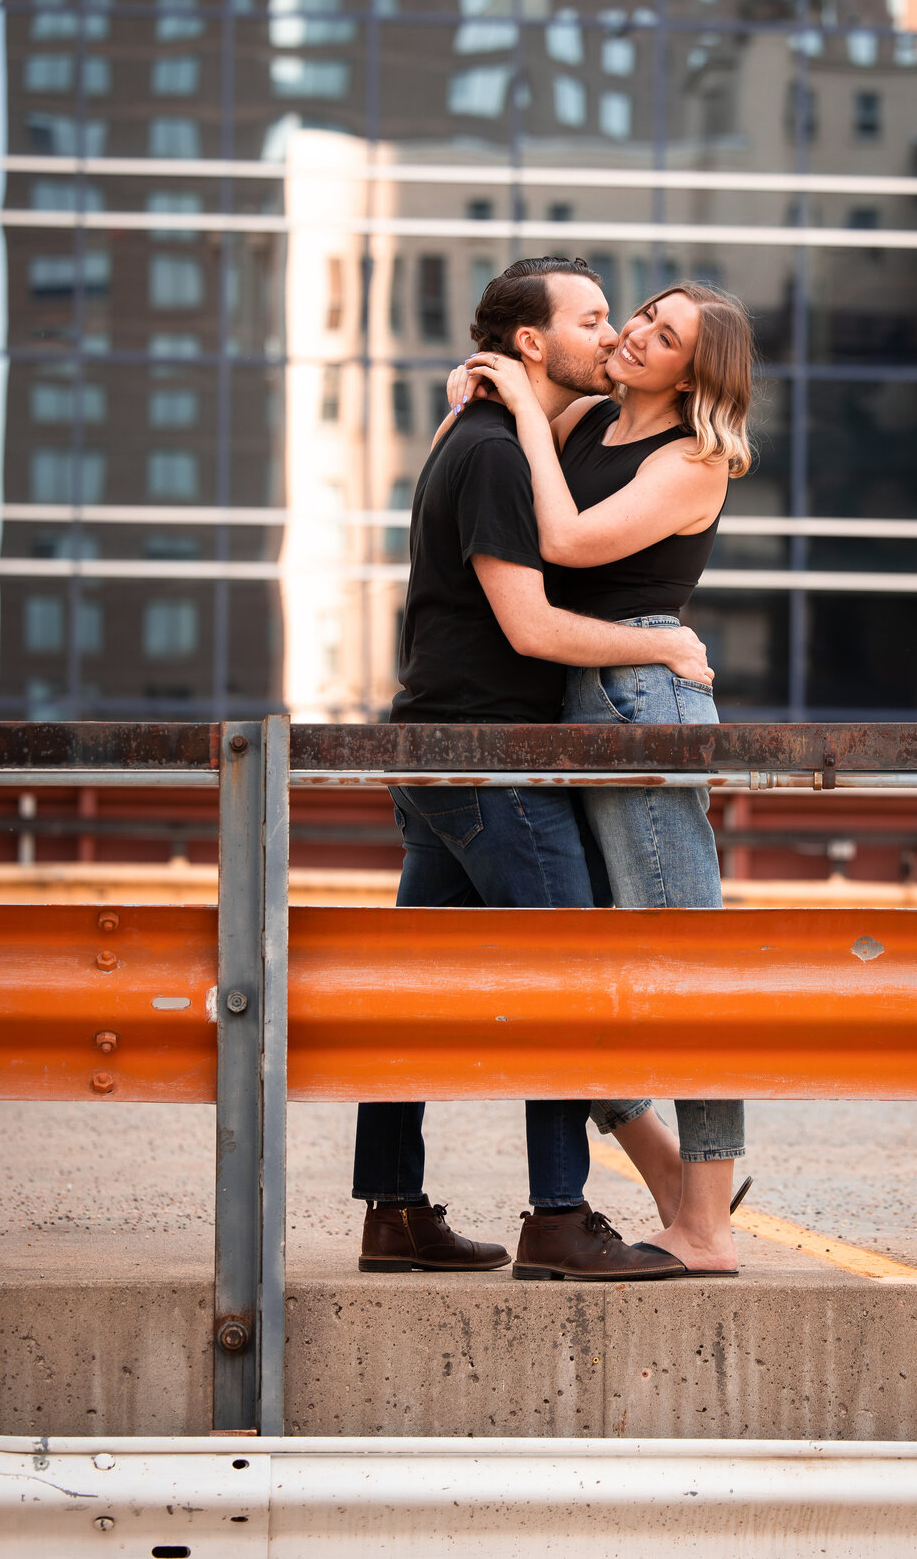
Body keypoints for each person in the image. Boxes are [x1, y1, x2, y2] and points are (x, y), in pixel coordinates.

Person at [353, 256, 715, 1283]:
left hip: (437, 751)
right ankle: (559, 1219)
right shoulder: (500, 456)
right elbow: (529, 622)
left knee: (414, 995)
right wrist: (665, 646)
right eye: (594, 319)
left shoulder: (490, 439)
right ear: (530, 345)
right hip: (489, 761)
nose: (611, 336)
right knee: (569, 978)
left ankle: (394, 1211)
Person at [457, 279, 755, 1276]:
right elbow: (490, 423)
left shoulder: (692, 459)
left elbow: (568, 543)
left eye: (662, 336)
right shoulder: (586, 415)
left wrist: (533, 434)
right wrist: (480, 383)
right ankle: (670, 1179)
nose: (633, 333)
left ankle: (705, 1226)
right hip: (571, 702)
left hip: (642, 695)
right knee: (577, 959)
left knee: (682, 958)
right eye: (641, 315)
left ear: (692, 373)